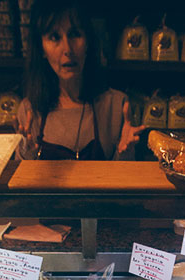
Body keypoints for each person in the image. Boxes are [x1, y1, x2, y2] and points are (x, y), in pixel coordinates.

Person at [15, 0, 145, 160]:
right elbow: (23, 183)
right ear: (41, 49)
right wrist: (26, 155)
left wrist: (125, 155)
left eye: (75, 34)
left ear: (88, 42)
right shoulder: (29, 111)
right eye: (54, 37)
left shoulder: (115, 106)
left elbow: (123, 180)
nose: (68, 49)